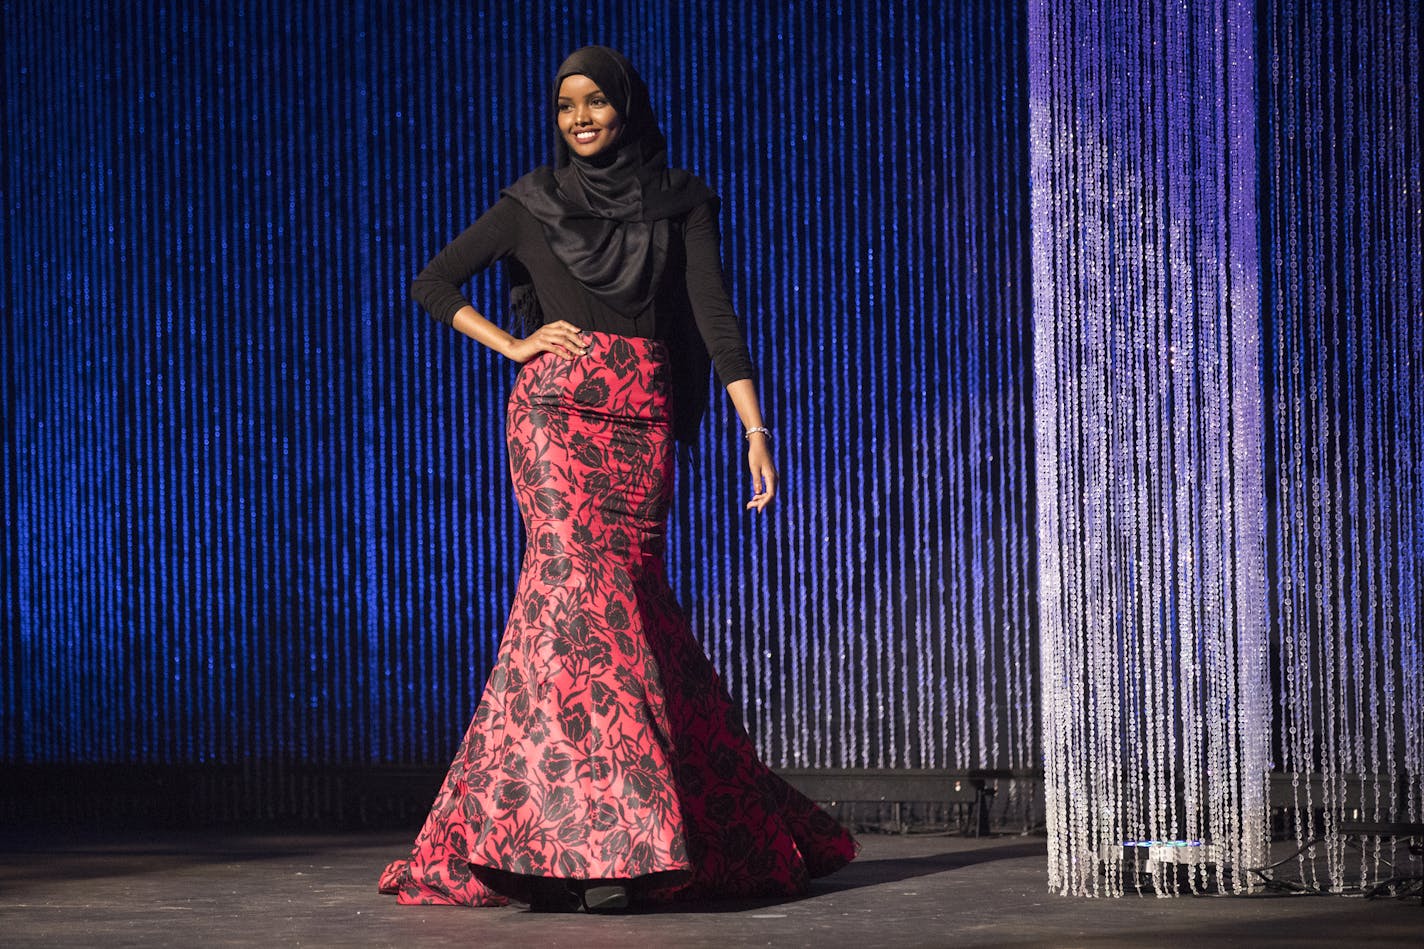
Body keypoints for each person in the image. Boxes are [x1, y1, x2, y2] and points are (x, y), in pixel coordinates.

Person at [378, 45, 857, 913]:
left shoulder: (680, 200)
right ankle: (591, 843)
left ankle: (581, 836)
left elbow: (713, 313)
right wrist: (517, 344)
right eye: (566, 106)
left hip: (641, 422)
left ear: (626, 106)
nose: (581, 117)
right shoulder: (531, 203)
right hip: (556, 422)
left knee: (629, 615)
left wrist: (755, 426)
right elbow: (434, 281)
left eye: (597, 101)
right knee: (571, 605)